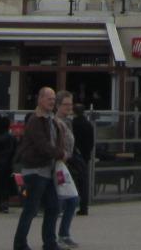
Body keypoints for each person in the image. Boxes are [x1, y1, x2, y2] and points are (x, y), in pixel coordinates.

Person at [13, 87, 61, 250]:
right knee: (31, 209)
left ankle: (50, 242)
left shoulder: (51, 119)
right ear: (40, 99)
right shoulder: (35, 120)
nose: (52, 102)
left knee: (53, 206)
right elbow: (42, 145)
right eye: (49, 98)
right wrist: (60, 154)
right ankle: (20, 244)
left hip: (47, 171)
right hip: (35, 171)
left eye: (54, 99)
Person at [54, 91, 81, 249]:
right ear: (58, 105)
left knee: (68, 199)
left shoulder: (68, 122)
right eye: (66, 104)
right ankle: (59, 235)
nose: (69, 107)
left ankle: (63, 233)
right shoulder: (55, 122)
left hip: (65, 163)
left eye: (70, 104)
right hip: (57, 165)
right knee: (65, 199)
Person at [0, 113, 19, 213]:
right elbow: (16, 150)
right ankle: (5, 204)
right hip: (8, 164)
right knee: (6, 184)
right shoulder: (13, 138)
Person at [71, 105, 95, 217]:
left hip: (74, 155)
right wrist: (87, 153)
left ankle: (70, 204)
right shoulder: (88, 124)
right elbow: (91, 142)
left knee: (71, 180)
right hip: (85, 156)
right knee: (84, 183)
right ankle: (84, 207)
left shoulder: (73, 124)